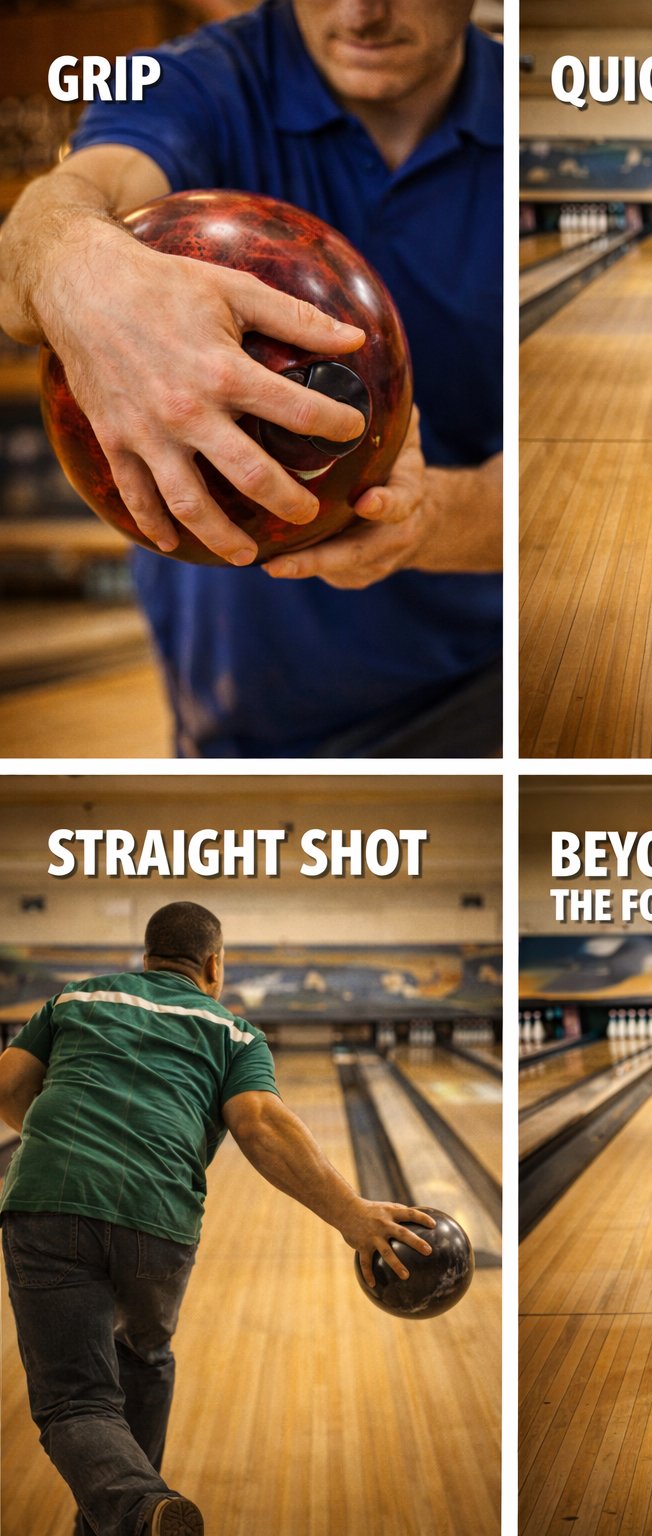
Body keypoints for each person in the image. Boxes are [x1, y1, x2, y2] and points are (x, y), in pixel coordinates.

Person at [0, 0, 501, 756]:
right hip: (236, 709)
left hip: (479, 692)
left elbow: (584, 490)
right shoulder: (193, 80)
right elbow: (35, 239)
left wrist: (429, 517)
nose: (363, 11)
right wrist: (73, 258)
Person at [0, 901, 434, 1535]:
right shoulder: (233, 1032)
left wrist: (58, 1141)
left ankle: (138, 1510)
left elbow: (10, 1084)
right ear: (213, 964)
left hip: (46, 1200)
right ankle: (138, 1517)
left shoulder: (76, 1000)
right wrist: (354, 1215)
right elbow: (261, 1124)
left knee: (75, 1401)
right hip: (158, 1215)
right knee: (143, 1357)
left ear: (146, 958)